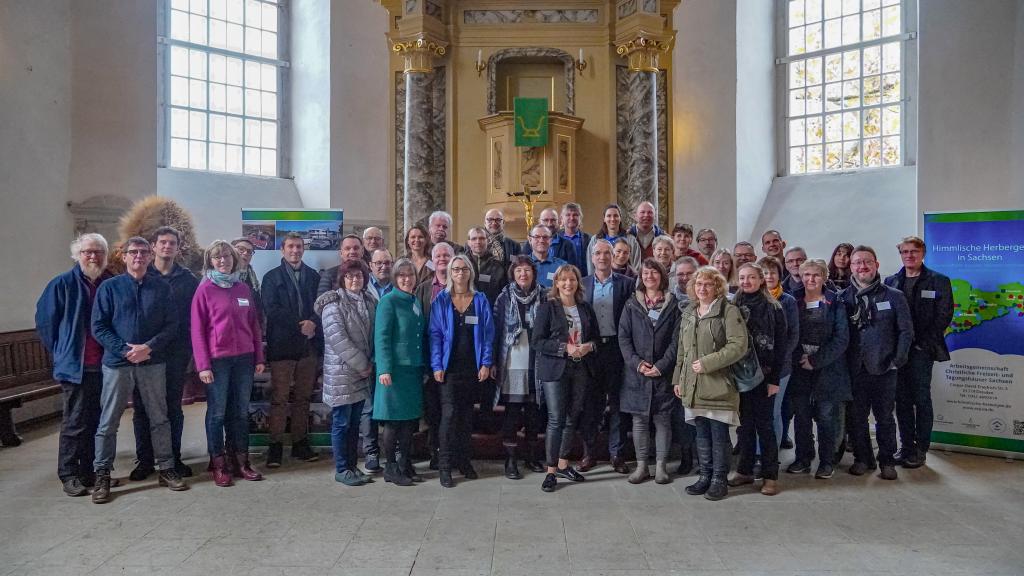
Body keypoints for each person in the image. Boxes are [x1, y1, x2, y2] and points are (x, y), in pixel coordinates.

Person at [90, 237, 188, 503]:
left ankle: (166, 468)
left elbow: (172, 324)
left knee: (160, 417)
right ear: (124, 256)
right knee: (108, 421)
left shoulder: (161, 287)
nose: (138, 256)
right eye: (133, 252)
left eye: (143, 252)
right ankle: (102, 474)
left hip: (152, 362)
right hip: (117, 364)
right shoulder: (110, 288)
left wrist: (148, 347)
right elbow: (98, 326)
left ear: (149, 256)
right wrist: (124, 349)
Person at [35, 233, 114, 496]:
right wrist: (63, 352)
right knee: (74, 423)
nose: (93, 256)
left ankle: (89, 471)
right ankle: (68, 473)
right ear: (77, 255)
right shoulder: (61, 284)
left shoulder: (109, 283)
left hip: (105, 366)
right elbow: (47, 324)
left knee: (96, 421)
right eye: (87, 252)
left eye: (98, 252)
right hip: (76, 366)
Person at [191, 240, 265, 487]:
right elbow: (197, 331)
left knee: (241, 413)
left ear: (234, 259)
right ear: (210, 261)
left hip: (244, 359)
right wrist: (203, 365)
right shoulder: (205, 290)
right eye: (217, 257)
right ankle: (219, 464)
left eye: (227, 257)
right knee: (217, 413)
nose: (223, 261)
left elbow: (254, 324)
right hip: (217, 361)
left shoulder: (243, 288)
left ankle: (241, 462)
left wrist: (259, 357)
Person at [130, 226, 199, 482]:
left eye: (172, 243)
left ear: (178, 248)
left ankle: (173, 458)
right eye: (163, 243)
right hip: (145, 353)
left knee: (173, 408)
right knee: (142, 408)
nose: (167, 247)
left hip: (176, 353)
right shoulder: (139, 275)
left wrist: (192, 351)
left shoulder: (188, 279)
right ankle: (145, 459)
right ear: (153, 246)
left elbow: (194, 318)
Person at [674, 266, 748, 501]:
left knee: (718, 434)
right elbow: (682, 350)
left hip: (718, 383)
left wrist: (708, 363)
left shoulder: (729, 310)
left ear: (718, 287)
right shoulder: (689, 311)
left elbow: (738, 345)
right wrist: (678, 377)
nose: (702, 288)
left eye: (708, 284)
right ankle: (705, 475)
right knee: (701, 433)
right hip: (693, 383)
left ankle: (719, 479)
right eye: (698, 284)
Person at [841, 246, 914, 481]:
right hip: (854, 370)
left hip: (884, 368)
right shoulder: (844, 298)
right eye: (857, 263)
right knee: (857, 418)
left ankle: (887, 461)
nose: (862, 267)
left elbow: (906, 331)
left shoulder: (894, 296)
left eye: (867, 262)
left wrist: (897, 360)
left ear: (876, 265)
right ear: (851, 267)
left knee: (884, 418)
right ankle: (863, 459)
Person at [885, 236, 953, 469]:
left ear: (923, 253)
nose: (909, 256)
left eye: (914, 251)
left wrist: (921, 344)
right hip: (898, 352)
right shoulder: (891, 281)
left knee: (921, 398)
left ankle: (921, 448)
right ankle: (906, 447)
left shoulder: (938, 281)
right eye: (904, 252)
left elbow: (944, 316)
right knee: (900, 400)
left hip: (923, 350)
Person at [429, 254, 495, 487]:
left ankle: (464, 461)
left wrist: (486, 363)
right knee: (448, 416)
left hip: (472, 369)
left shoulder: (480, 300)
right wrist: (437, 365)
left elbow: (488, 334)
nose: (460, 273)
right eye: (455, 269)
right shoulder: (441, 300)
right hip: (449, 370)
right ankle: (445, 465)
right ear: (449, 273)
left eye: (464, 269)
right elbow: (435, 335)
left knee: (466, 417)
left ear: (470, 273)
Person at [533, 265, 599, 492]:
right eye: (563, 280)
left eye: (572, 280)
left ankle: (563, 464)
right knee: (556, 419)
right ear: (557, 284)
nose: (568, 284)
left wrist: (588, 347)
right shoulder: (547, 308)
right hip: (555, 369)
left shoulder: (586, 308)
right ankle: (550, 472)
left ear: (578, 283)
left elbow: (596, 339)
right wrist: (565, 348)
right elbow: (538, 342)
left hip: (581, 369)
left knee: (572, 418)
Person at [261, 232, 322, 467]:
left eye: (298, 246)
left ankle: (300, 443)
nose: (295, 250)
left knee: (303, 398)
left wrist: (313, 322)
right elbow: (272, 309)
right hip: (282, 347)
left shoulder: (314, 276)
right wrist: (301, 325)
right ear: (282, 250)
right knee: (279, 399)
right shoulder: (271, 277)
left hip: (308, 349)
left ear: (304, 249)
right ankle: (275, 447)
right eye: (290, 247)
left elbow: (321, 303)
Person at [315, 259, 377, 486]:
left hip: (361, 374)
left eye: (359, 276)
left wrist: (369, 363)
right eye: (349, 276)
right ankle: (342, 468)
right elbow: (339, 340)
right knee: (341, 423)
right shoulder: (333, 305)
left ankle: (352, 466)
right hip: (342, 374)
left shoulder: (369, 301)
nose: (354, 280)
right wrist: (364, 365)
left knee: (354, 425)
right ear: (341, 279)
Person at [785, 259, 849, 480]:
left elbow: (842, 339)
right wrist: (799, 358)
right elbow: (788, 333)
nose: (811, 279)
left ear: (824, 277)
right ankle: (803, 457)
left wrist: (816, 360)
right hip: (799, 369)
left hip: (828, 369)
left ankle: (826, 461)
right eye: (806, 275)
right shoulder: (793, 301)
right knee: (801, 416)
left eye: (816, 275)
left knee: (826, 416)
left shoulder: (836, 302)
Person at [619, 259, 681, 484]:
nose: (649, 276)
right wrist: (636, 363)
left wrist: (662, 366)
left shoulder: (673, 305)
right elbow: (623, 338)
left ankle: (662, 467)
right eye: (646, 273)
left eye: (654, 272)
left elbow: (677, 341)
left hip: (663, 373)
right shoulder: (631, 304)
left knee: (663, 420)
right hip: (637, 373)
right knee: (639, 421)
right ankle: (642, 466)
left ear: (662, 276)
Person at [729, 263, 788, 495]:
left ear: (761, 279)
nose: (746, 282)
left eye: (751, 277)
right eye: (742, 277)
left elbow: (782, 346)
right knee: (744, 426)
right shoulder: (734, 305)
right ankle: (744, 470)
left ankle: (770, 475)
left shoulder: (774, 308)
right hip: (740, 375)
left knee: (765, 426)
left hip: (765, 375)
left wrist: (774, 379)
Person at [579, 240, 634, 474]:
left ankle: (616, 454)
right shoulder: (581, 284)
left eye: (606, 253)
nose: (602, 257)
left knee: (618, 404)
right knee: (591, 405)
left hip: (616, 350)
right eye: (598, 253)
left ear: (614, 257)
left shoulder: (627, 284)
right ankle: (588, 453)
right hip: (590, 351)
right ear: (592, 257)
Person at [373, 259, 428, 486]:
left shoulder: (414, 301)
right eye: (402, 275)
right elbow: (382, 336)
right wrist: (384, 368)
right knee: (393, 423)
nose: (407, 279)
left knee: (408, 422)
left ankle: (405, 463)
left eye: (411, 275)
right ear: (395, 278)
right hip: (393, 372)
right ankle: (391, 467)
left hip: (412, 371)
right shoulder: (388, 301)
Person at [493, 256, 547, 479]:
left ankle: (532, 456)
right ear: (513, 274)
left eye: (527, 270)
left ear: (534, 273)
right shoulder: (504, 296)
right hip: (514, 356)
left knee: (534, 410)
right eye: (519, 271)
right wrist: (494, 361)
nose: (523, 274)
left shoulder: (545, 295)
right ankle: (511, 460)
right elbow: (495, 331)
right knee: (514, 410)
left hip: (537, 356)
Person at [415, 242, 454, 468]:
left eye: (446, 255)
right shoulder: (423, 288)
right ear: (432, 259)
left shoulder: (462, 286)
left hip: (455, 359)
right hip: (430, 358)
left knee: (453, 410)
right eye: (438, 255)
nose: (442, 259)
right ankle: (435, 452)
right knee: (433, 410)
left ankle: (453, 452)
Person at [758, 256, 800, 452]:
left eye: (773, 272)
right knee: (756, 413)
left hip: (780, 368)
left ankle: (769, 456)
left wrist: (778, 359)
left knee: (773, 412)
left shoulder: (788, 301)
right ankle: (757, 454)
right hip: (756, 368)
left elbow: (793, 335)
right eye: (764, 272)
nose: (768, 276)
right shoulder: (752, 297)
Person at [586, 204, 641, 273]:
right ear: (604, 219)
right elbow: (590, 264)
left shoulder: (631, 240)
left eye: (616, 216)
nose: (612, 219)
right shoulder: (595, 240)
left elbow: (636, 266)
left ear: (620, 218)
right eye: (609, 216)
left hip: (627, 281)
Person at [466, 226, 507, 305]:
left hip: (491, 309)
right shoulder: (462, 264)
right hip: (467, 309)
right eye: (474, 239)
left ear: (487, 241)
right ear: (468, 242)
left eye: (482, 238)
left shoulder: (498, 265)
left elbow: (502, 293)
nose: (478, 242)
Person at [526, 224, 567, 288]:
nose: (541, 240)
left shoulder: (562, 266)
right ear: (530, 240)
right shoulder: (521, 265)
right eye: (537, 237)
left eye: (545, 237)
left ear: (551, 240)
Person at [231, 238, 262, 315]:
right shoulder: (221, 276)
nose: (245, 253)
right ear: (231, 251)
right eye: (241, 249)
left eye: (249, 251)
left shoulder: (252, 277)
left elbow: (257, 305)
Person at [557, 202, 591, 272]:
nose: (571, 218)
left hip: (583, 279)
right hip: (561, 279)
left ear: (580, 218)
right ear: (562, 218)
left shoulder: (588, 239)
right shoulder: (555, 238)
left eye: (575, 215)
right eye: (568, 215)